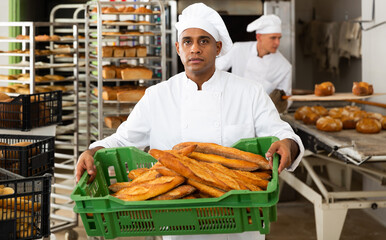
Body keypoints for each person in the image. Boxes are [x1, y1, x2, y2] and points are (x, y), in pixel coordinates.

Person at [76, 3, 304, 240]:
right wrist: (92, 152)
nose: (195, 48)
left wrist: (288, 144)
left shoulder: (249, 93)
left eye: (204, 41)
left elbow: (280, 133)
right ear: (178, 48)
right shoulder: (158, 96)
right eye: (187, 41)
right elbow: (122, 139)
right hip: (177, 229)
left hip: (239, 229)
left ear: (217, 47)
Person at [216, 14, 291, 112]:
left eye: (279, 38)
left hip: (262, 115)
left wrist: (276, 107)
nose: (277, 43)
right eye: (273, 38)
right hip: (233, 109)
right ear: (259, 37)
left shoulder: (284, 67)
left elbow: (286, 99)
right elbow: (214, 69)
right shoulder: (238, 49)